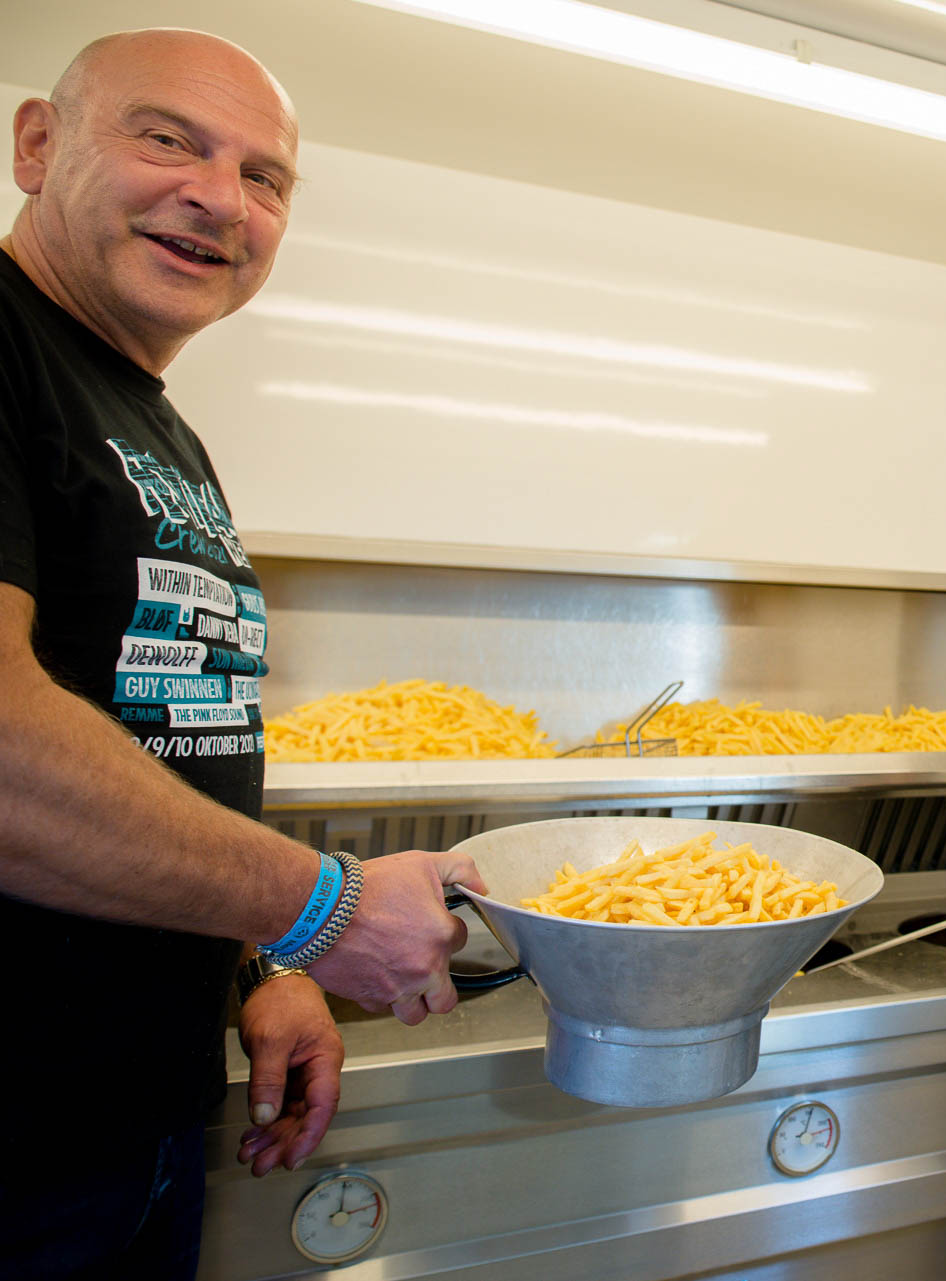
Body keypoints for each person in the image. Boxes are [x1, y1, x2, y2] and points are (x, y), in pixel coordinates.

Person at [0, 29, 485, 1278]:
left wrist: (254, 965)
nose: (220, 197)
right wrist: (317, 908)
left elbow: (158, 733)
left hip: (132, 1127)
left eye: (265, 177)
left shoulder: (152, 424)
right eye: (168, 139)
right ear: (37, 146)